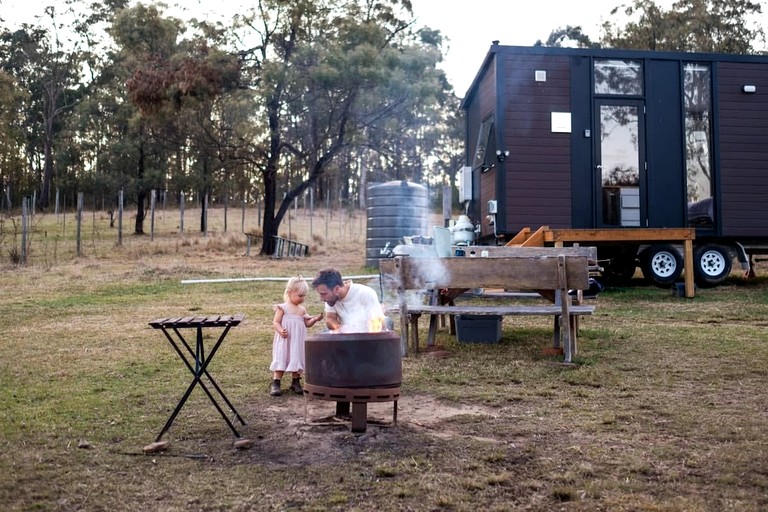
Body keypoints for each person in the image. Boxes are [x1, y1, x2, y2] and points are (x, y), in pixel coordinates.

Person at [269, 275, 323, 397]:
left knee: (296, 357)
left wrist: (314, 319)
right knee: (282, 357)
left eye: (304, 296)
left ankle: (295, 382)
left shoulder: (302, 310)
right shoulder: (282, 308)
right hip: (285, 339)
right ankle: (276, 383)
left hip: (297, 341)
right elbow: (276, 322)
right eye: (300, 296)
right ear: (289, 293)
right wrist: (280, 330)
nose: (302, 299)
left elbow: (307, 323)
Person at [311, 268, 386, 333]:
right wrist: (341, 329)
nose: (321, 299)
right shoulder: (331, 299)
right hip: (349, 339)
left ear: (337, 289)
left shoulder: (365, 293)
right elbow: (330, 318)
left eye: (324, 294)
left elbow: (379, 323)